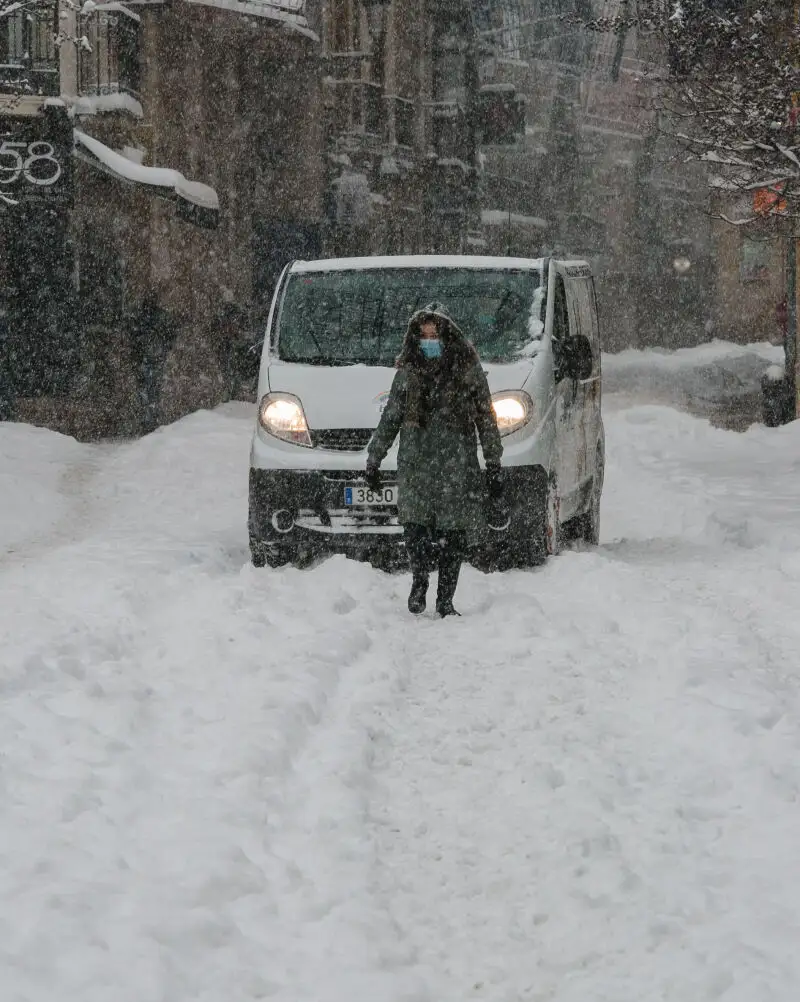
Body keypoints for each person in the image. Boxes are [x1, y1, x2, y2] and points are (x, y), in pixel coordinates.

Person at [365, 303, 504, 617]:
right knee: (415, 527)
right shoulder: (408, 371)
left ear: (447, 335)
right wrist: (375, 457)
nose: (428, 340)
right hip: (416, 461)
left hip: (456, 461)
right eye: (423, 335)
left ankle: (445, 599)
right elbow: (392, 416)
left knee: (453, 533)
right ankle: (419, 581)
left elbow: (486, 417)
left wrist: (493, 462)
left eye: (434, 334)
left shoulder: (467, 371)